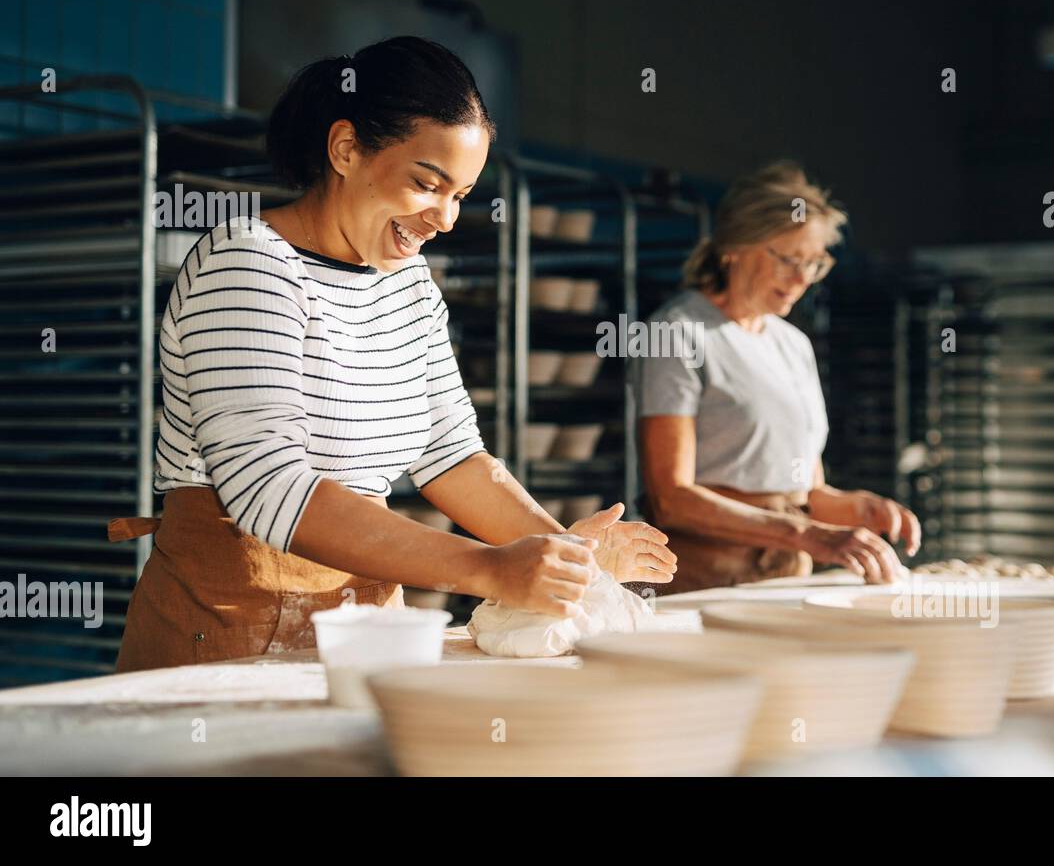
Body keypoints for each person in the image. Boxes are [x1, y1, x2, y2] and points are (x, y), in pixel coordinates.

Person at [112, 36, 675, 670]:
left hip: (366, 630)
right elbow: (268, 486)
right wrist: (489, 568)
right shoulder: (247, 265)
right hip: (223, 633)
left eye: (460, 195)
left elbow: (453, 455)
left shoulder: (407, 284)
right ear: (346, 149)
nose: (446, 218)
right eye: (427, 184)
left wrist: (570, 559)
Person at [632, 162, 919, 594]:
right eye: (788, 259)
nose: (802, 278)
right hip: (702, 581)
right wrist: (803, 534)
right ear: (734, 246)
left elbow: (804, 492)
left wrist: (859, 508)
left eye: (814, 263)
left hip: (784, 579)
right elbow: (671, 499)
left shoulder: (793, 345)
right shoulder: (675, 334)